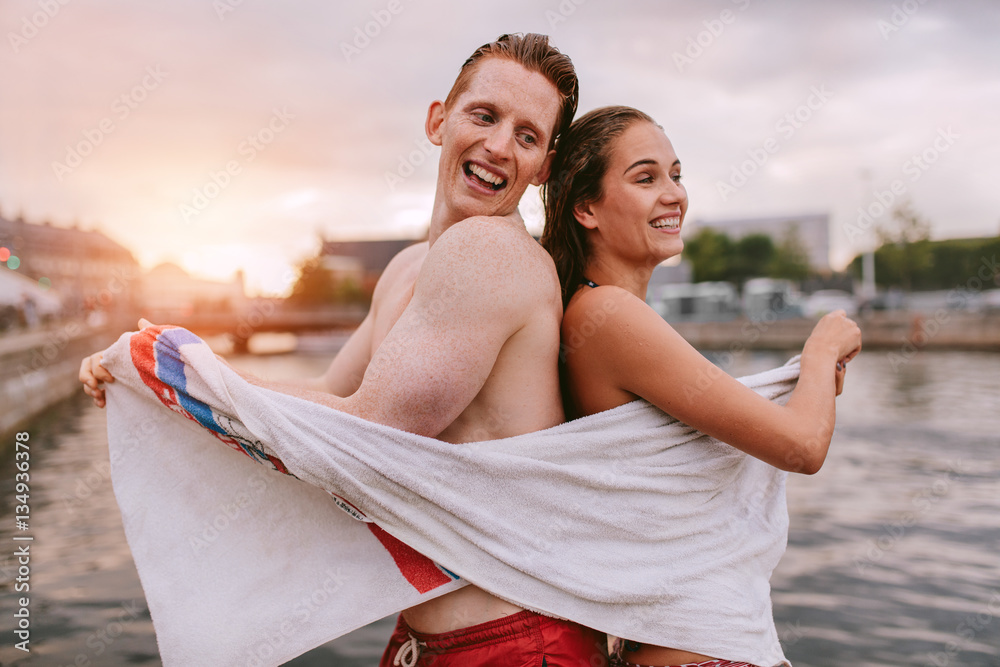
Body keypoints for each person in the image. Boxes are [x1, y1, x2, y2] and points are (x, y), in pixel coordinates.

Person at [80, 34, 609, 667]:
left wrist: (172, 366)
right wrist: (158, 368)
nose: (499, 145)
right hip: (429, 641)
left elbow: (375, 424)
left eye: (527, 136)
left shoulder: (489, 253)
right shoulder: (411, 268)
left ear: (543, 167)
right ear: (438, 120)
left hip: (513, 644)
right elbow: (324, 404)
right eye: (485, 115)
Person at [539, 106, 862, 667]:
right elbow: (802, 446)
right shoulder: (609, 315)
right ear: (585, 207)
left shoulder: (593, 314)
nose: (674, 194)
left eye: (676, 174)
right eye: (645, 178)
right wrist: (821, 347)